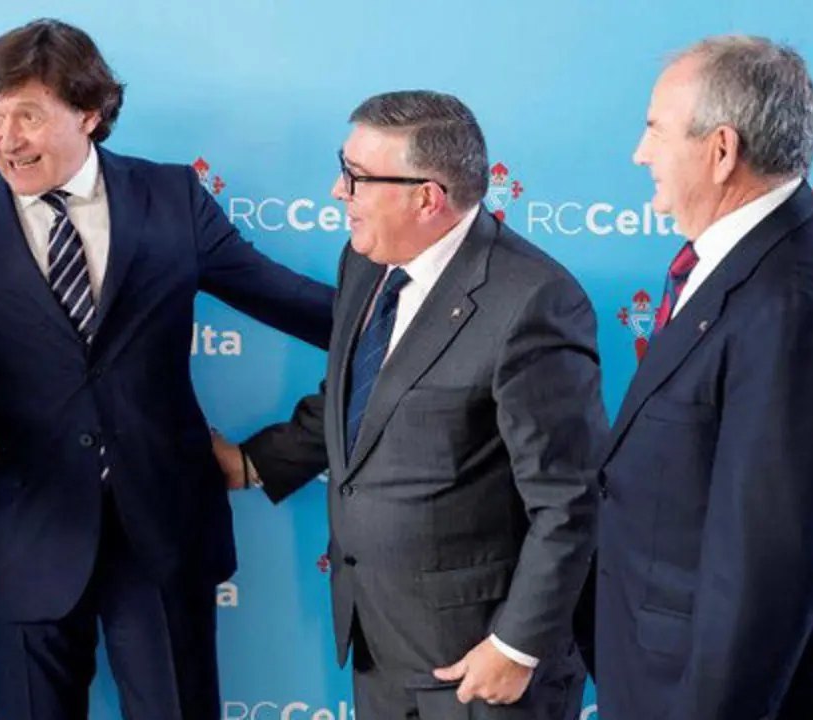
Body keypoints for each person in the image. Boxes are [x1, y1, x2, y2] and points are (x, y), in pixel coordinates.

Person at [0, 18, 334, 720]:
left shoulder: (172, 197)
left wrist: (411, 314)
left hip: (163, 531)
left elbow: (289, 301)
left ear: (90, 113)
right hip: (27, 538)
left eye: (28, 115)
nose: (7, 139)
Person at [213, 90, 605, 719]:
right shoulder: (366, 262)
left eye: (356, 177)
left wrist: (516, 646)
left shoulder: (533, 301)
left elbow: (569, 499)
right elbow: (362, 398)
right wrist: (252, 463)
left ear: (427, 197)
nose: (337, 192)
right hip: (379, 644)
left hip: (480, 663)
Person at [595, 35, 813, 720]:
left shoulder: (789, 301)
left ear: (722, 149)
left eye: (654, 129)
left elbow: (769, 563)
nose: (639, 154)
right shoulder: (749, 260)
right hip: (655, 671)